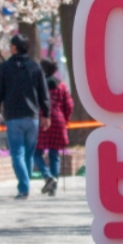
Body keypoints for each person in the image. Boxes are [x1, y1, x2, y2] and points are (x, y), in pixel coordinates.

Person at [0, 34, 50, 199]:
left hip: (13, 116)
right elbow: (43, 92)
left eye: (11, 45)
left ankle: (24, 187)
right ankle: (25, 185)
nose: (9, 48)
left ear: (15, 47)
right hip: (32, 116)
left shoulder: (4, 68)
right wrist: (46, 113)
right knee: (29, 154)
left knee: (17, 153)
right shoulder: (35, 67)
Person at [36, 58, 73, 197]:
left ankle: (47, 176)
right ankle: (54, 185)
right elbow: (69, 105)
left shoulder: (38, 85)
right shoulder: (62, 86)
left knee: (36, 152)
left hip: (42, 120)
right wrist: (66, 119)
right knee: (54, 153)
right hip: (58, 120)